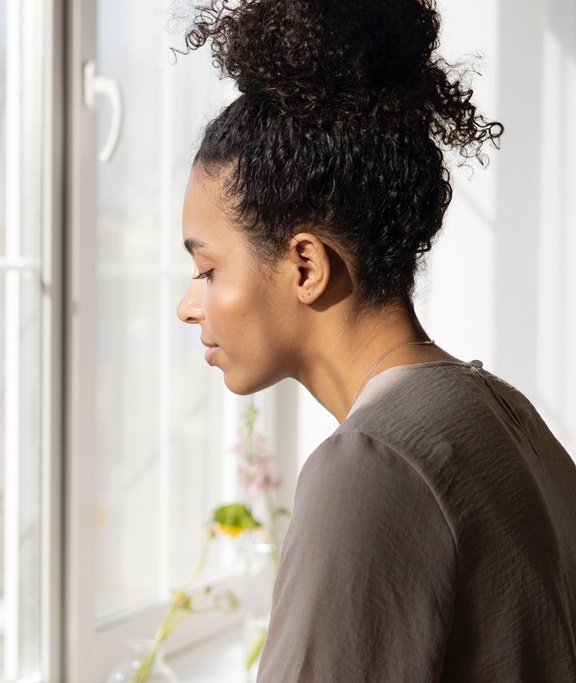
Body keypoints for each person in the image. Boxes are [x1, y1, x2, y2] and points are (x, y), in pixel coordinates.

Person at [175, 0, 576, 680]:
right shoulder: (509, 415)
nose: (189, 305)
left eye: (209, 269)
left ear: (307, 266)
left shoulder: (369, 466)